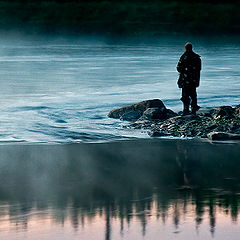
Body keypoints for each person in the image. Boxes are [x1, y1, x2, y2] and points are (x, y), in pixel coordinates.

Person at [177, 42, 201, 115]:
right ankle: (194, 109)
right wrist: (197, 80)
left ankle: (186, 110)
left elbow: (178, 68)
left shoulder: (184, 57)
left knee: (185, 95)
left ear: (185, 48)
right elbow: (199, 70)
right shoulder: (196, 57)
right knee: (193, 94)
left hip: (185, 80)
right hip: (193, 80)